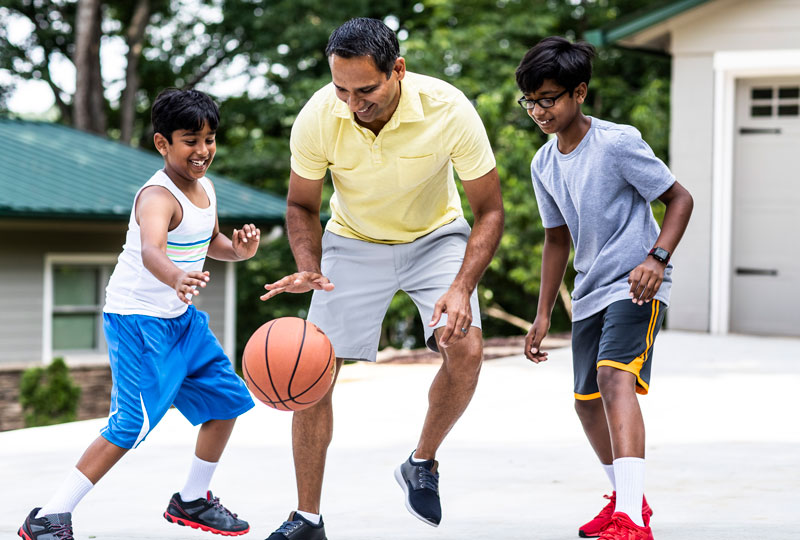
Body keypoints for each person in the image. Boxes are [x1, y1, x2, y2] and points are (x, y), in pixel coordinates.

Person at [260, 17, 504, 539]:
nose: (352, 102)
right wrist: (309, 264)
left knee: (466, 350)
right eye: (341, 88)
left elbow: (490, 211)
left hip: (436, 237)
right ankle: (307, 519)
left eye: (366, 89)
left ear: (398, 70)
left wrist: (461, 286)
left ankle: (422, 461)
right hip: (352, 241)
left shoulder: (449, 109)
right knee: (312, 375)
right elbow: (301, 205)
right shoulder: (318, 117)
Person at [18, 88, 261, 540]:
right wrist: (175, 278)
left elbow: (208, 242)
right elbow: (153, 250)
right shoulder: (156, 196)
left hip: (180, 320)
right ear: (162, 143)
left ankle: (192, 499)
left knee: (228, 400)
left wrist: (239, 251)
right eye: (191, 140)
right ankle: (49, 516)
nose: (203, 150)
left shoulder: (205, 188)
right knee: (132, 423)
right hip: (138, 320)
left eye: (210, 139)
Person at [515, 37, 693, 540]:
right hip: (590, 290)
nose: (539, 111)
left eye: (549, 98)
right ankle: (626, 498)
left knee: (615, 378)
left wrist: (656, 258)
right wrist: (543, 313)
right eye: (530, 101)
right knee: (585, 401)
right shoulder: (543, 163)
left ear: (580, 93)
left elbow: (679, 199)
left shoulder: (616, 142)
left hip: (635, 285)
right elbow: (556, 238)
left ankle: (632, 521)